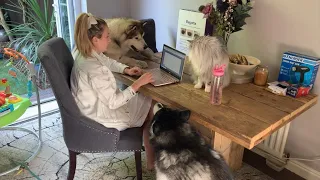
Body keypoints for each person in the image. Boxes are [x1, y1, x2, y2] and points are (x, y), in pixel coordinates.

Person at [70, 13, 155, 170]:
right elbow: (114, 102)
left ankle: (148, 150)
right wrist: (137, 85)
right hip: (100, 117)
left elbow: (108, 61)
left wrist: (126, 70)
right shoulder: (93, 69)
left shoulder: (86, 51)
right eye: (107, 37)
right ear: (95, 40)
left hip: (91, 107)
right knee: (149, 103)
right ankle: (151, 159)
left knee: (145, 101)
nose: (110, 40)